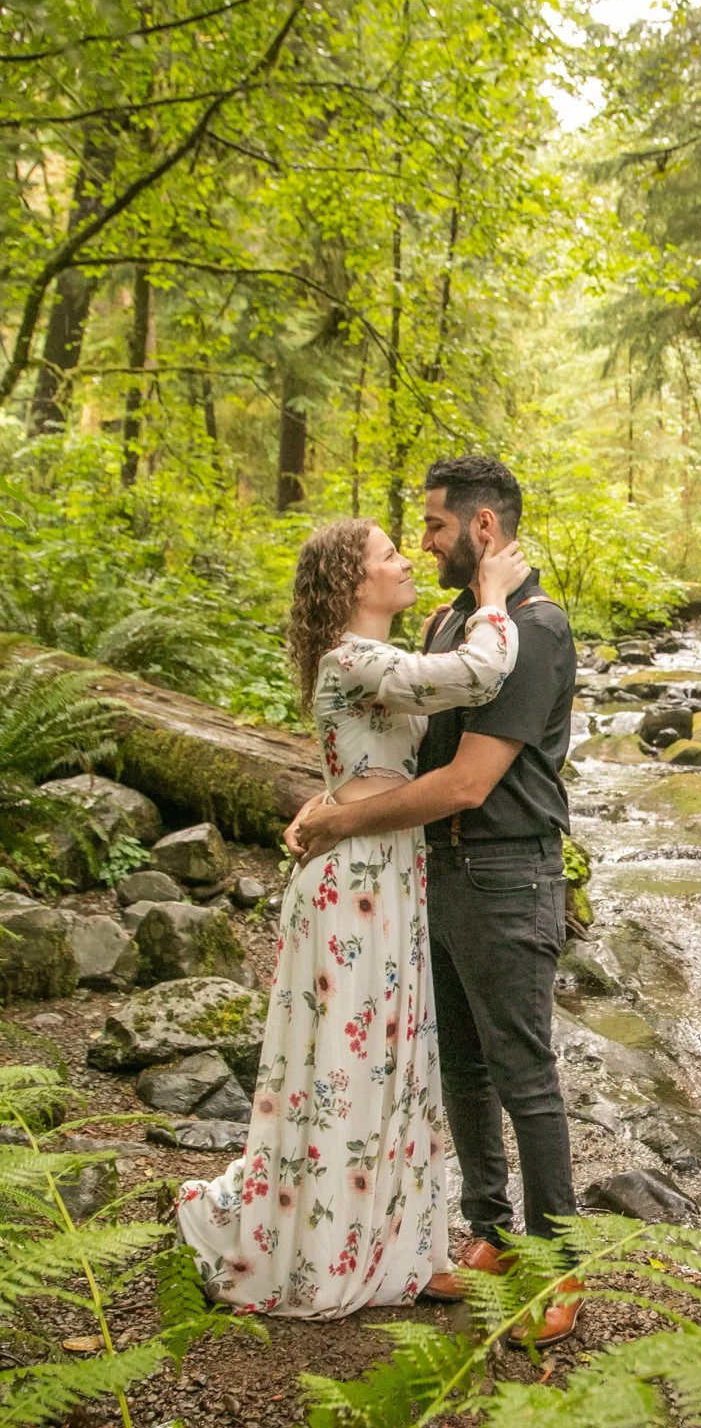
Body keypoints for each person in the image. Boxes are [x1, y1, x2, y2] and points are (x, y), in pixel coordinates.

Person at [175, 517, 527, 1318]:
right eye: (388, 556)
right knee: (344, 1070)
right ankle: (322, 1251)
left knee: (392, 1067)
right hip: (355, 881)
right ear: (351, 582)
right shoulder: (351, 657)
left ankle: (394, 1247)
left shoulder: (382, 657)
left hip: (391, 872)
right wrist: (496, 595)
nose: (406, 563)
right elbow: (477, 676)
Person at [288, 455, 582, 1348]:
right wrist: (335, 796)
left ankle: (561, 1264)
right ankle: (490, 1230)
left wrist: (346, 820)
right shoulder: (456, 618)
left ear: (482, 528)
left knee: (524, 1077)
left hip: (504, 871)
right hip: (435, 873)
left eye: (435, 527)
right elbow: (396, 738)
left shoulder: (533, 630)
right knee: (461, 1067)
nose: (424, 543)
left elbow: (464, 783)